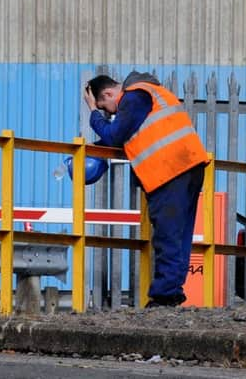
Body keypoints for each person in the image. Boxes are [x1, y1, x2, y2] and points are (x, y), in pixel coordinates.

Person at [83, 70, 208, 307]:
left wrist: (92, 114)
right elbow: (130, 134)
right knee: (179, 234)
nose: (109, 113)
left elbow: (115, 135)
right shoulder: (151, 93)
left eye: (105, 107)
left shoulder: (134, 96)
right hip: (189, 164)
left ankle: (164, 295)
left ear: (109, 93)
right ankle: (171, 290)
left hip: (169, 169)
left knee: (167, 234)